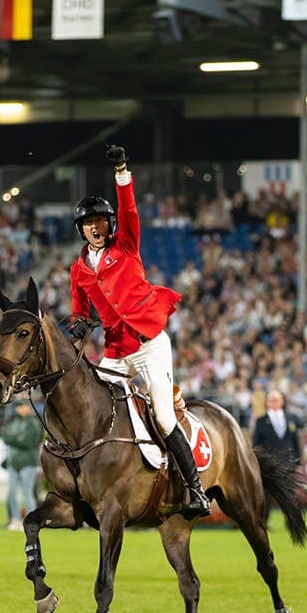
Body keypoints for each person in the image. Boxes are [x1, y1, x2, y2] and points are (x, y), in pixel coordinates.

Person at [69, 143, 210, 519]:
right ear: (82, 230)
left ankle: (195, 489)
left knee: (164, 416)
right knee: (90, 407)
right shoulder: (78, 269)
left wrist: (122, 172)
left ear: (109, 224)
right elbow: (77, 311)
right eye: (88, 223)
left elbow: (129, 208)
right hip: (115, 352)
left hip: (149, 346)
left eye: (100, 221)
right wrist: (77, 325)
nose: (95, 227)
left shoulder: (127, 245)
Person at [251, 388, 302, 522]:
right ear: (267, 402)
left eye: (277, 400)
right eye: (271, 400)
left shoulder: (291, 418)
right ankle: (263, 522)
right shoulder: (261, 420)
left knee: (290, 494)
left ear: (282, 401)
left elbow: (295, 442)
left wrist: (298, 463)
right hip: (268, 464)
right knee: (265, 495)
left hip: (287, 462)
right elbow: (256, 443)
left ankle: (293, 522)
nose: (274, 402)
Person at [0, 400, 43, 531]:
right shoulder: (13, 421)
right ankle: (15, 519)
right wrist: (16, 438)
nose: (19, 409)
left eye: (22, 406)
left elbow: (28, 441)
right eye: (17, 407)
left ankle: (32, 521)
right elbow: (4, 435)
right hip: (13, 462)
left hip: (27, 462)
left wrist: (13, 438)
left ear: (27, 407)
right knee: (11, 493)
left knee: (27, 493)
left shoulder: (33, 423)